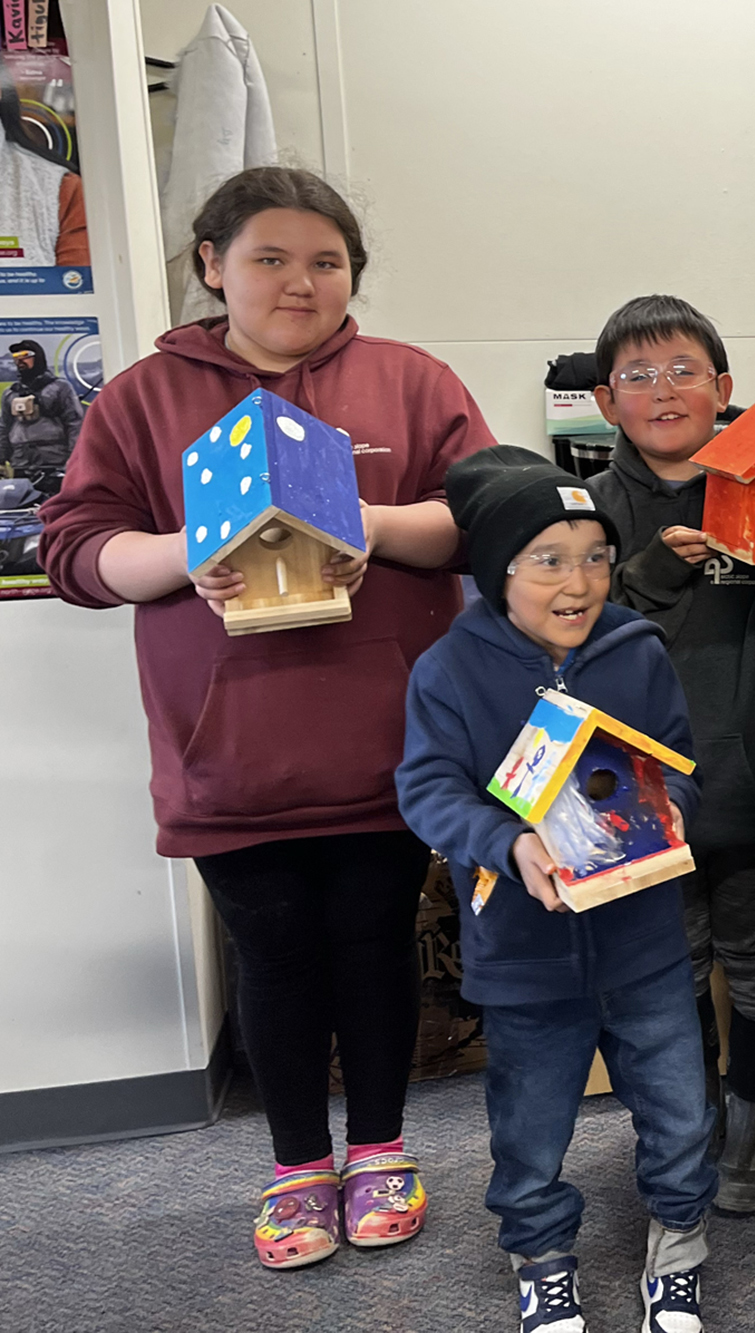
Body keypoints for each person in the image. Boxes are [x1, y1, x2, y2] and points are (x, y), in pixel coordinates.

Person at [36, 166, 495, 1270]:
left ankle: (381, 1145)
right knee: (275, 957)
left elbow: (480, 518)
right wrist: (188, 553)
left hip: (389, 744)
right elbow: (75, 548)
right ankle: (297, 1164)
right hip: (224, 754)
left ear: (353, 275)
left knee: (374, 947)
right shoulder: (144, 396)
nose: (301, 282)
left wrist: (367, 521)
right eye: (270, 258)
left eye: (326, 262)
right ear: (212, 265)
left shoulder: (409, 380)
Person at [398, 446, 713, 1333]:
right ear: (500, 571)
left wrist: (673, 807)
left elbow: (678, 760)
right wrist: (508, 838)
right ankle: (541, 1256)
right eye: (549, 559)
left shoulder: (635, 650)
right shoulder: (449, 670)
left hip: (644, 943)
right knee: (529, 1127)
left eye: (597, 557)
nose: (579, 582)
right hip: (525, 954)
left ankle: (681, 1245)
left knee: (681, 1111)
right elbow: (427, 789)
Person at [584, 294, 755, 1216]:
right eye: (638, 376)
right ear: (606, 400)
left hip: (753, 784)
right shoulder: (585, 508)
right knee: (670, 969)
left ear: (724, 388)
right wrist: (654, 571)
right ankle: (685, 1123)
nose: (664, 391)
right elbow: (569, 643)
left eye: (685, 371)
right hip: (638, 795)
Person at [1, 338, 83, 491]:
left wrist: (74, 462)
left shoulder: (60, 388)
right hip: (21, 464)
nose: (20, 360)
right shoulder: (10, 394)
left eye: (25, 355)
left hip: (54, 464)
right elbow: (4, 428)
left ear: (37, 357)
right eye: (16, 357)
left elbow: (74, 425)